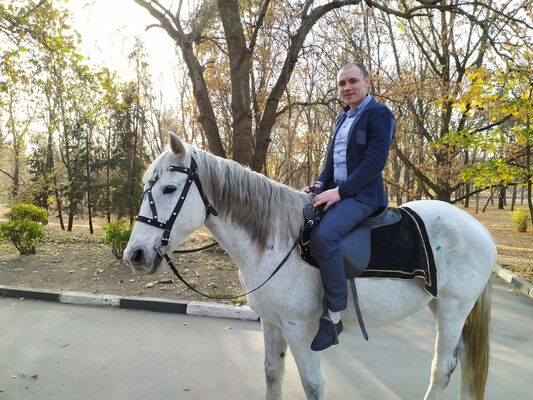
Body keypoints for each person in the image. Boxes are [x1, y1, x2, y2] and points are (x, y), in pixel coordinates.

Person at [304, 62, 396, 351]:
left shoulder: (379, 114)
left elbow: (374, 163)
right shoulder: (341, 118)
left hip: (364, 197)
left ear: (367, 81)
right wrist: (319, 185)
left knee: (326, 236)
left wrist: (340, 193)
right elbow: (331, 163)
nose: (347, 88)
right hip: (338, 192)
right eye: (342, 83)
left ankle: (334, 316)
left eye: (353, 81)